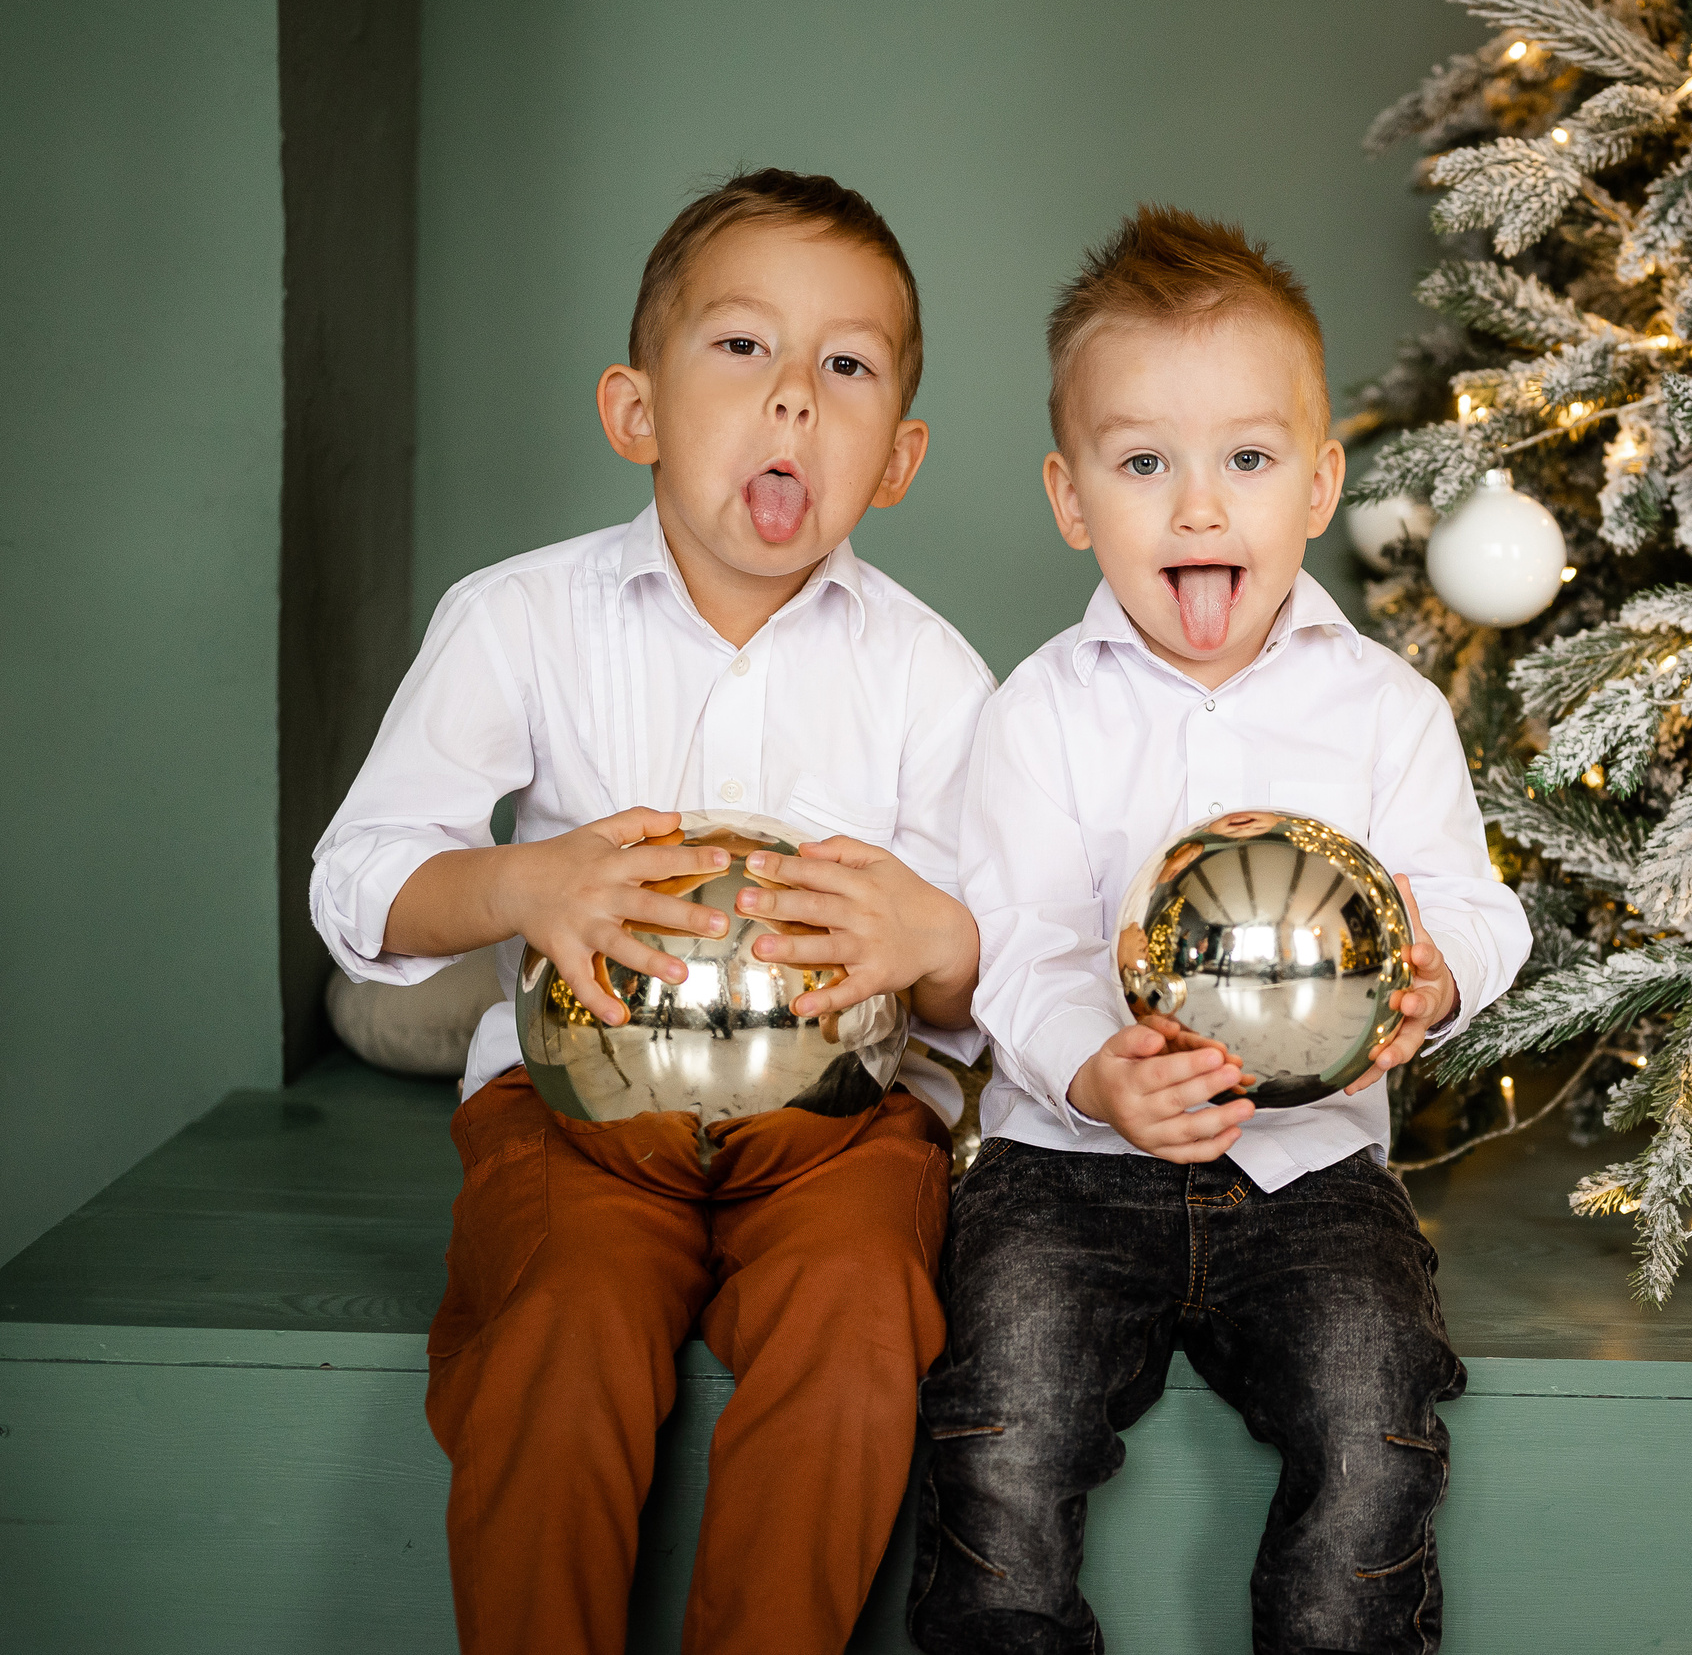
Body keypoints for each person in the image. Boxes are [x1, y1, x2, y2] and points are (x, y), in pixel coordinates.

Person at [310, 168, 990, 1655]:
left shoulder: (933, 675)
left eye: (848, 366)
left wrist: (937, 942)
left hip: (837, 1131)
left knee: (865, 1315)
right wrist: (521, 881)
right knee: (558, 1331)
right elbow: (359, 882)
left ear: (898, 458)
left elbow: (985, 968)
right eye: (743, 348)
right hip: (578, 1118)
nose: (796, 398)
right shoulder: (519, 618)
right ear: (634, 411)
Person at [910, 206, 1530, 1655]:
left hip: (1310, 1169)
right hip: (1068, 1175)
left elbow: (1479, 901)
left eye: (1247, 461)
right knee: (998, 1433)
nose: (1200, 510)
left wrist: (1441, 976)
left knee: (1376, 1421)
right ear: (1072, 497)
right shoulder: (1039, 710)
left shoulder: (1386, 711)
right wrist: (1091, 1070)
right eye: (1145, 464)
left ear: (1319, 483)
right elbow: (1013, 940)